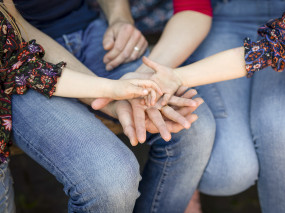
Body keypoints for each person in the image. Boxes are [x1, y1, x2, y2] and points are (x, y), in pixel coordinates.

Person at [4, 0, 215, 212]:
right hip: (20, 58)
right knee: (111, 178)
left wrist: (120, 18)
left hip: (91, 29)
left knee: (193, 127)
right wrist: (109, 96)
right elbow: (15, 28)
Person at [144, 3, 285, 213]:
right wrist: (176, 77)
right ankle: (187, 184)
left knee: (284, 133)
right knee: (229, 171)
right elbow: (258, 54)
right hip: (231, 14)